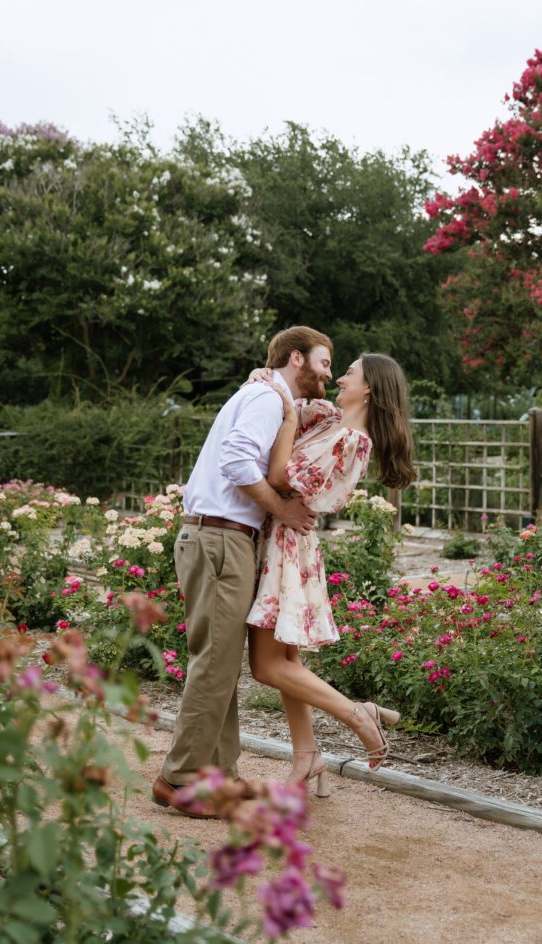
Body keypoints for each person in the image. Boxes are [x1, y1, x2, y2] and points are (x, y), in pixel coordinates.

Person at [152, 326, 333, 818]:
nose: (328, 374)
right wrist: (283, 508)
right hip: (220, 537)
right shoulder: (266, 397)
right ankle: (181, 780)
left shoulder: (272, 397)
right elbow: (235, 459)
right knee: (215, 662)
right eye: (324, 362)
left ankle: (219, 775)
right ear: (297, 358)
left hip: (227, 538)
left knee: (223, 662)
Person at [246, 353, 415, 796]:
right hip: (280, 537)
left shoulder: (354, 441)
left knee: (266, 667)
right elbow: (279, 400)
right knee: (287, 663)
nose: (339, 377)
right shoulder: (327, 418)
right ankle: (308, 755)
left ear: (370, 389)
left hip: (287, 547)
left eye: (351, 373)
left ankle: (358, 715)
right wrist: (265, 378)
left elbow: (280, 476)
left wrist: (285, 419)